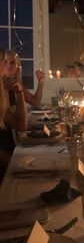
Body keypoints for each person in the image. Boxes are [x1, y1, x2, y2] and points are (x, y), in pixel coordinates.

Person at [0, 48, 27, 180]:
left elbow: (21, 125)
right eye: (3, 61)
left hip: (12, 151)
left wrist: (19, 93)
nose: (6, 66)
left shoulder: (2, 91)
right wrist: (12, 162)